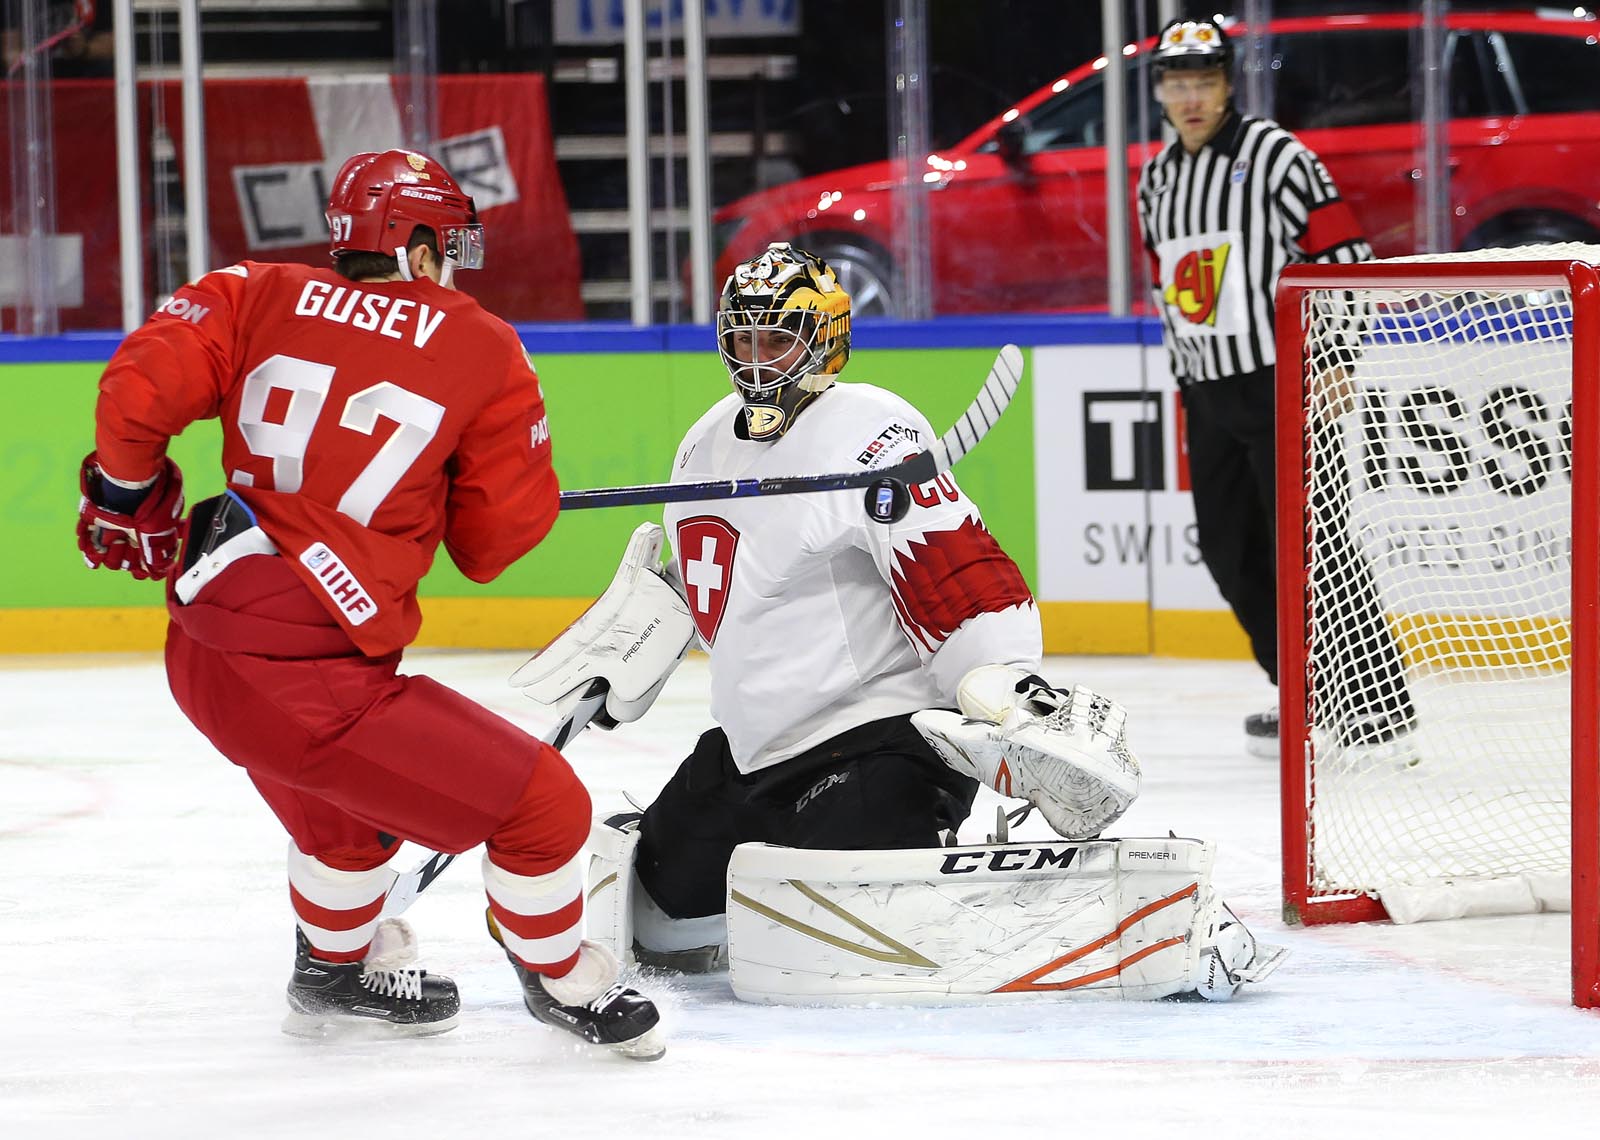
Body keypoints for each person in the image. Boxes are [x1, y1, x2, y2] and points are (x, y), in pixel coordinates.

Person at [74, 148, 664, 1060]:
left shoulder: (255, 289)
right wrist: (485, 488)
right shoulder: (481, 343)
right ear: (419, 247)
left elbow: (139, 387)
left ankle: (334, 972)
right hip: (307, 678)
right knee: (546, 806)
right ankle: (562, 977)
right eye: (448, 245)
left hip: (203, 650)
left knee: (346, 823)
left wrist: (126, 494)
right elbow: (489, 546)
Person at [561, 242, 1143, 970]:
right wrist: (628, 654)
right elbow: (721, 575)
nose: (755, 360)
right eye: (741, 339)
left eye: (776, 340)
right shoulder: (704, 444)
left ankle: (970, 889)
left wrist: (1007, 688)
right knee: (661, 920)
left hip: (881, 736)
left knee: (849, 906)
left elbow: (951, 560)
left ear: (824, 344)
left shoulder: (871, 429)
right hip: (759, 748)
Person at [1135, 18, 1416, 759]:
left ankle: (1378, 713)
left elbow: (1343, 258)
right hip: (1207, 388)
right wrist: (1183, 381)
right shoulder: (1156, 177)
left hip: (1281, 380)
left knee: (1314, 545)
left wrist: (1335, 359)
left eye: (1206, 80)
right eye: (1178, 82)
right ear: (1160, 90)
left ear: (1229, 83)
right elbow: (1166, 283)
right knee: (1230, 552)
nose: (1192, 96)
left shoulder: (1277, 157)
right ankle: (1308, 692)